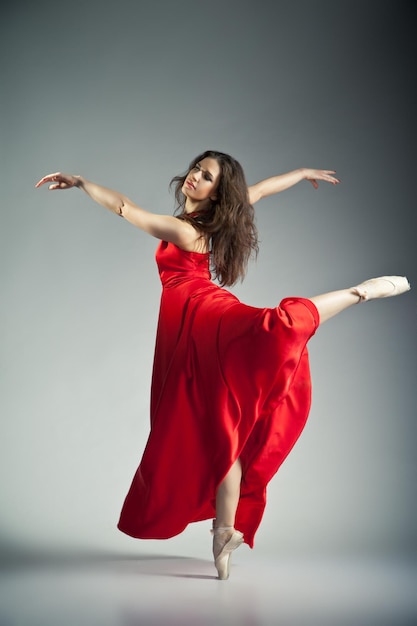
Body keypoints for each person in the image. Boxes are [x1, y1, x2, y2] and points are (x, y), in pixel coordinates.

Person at [36, 151, 410, 580]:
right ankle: (223, 536)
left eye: (206, 175)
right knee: (221, 429)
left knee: (278, 326)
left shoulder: (184, 229)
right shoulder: (212, 219)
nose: (195, 176)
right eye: (196, 168)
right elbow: (263, 189)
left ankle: (361, 292)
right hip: (188, 324)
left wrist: (82, 181)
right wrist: (301, 172)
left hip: (203, 316)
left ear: (216, 193)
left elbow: (125, 208)